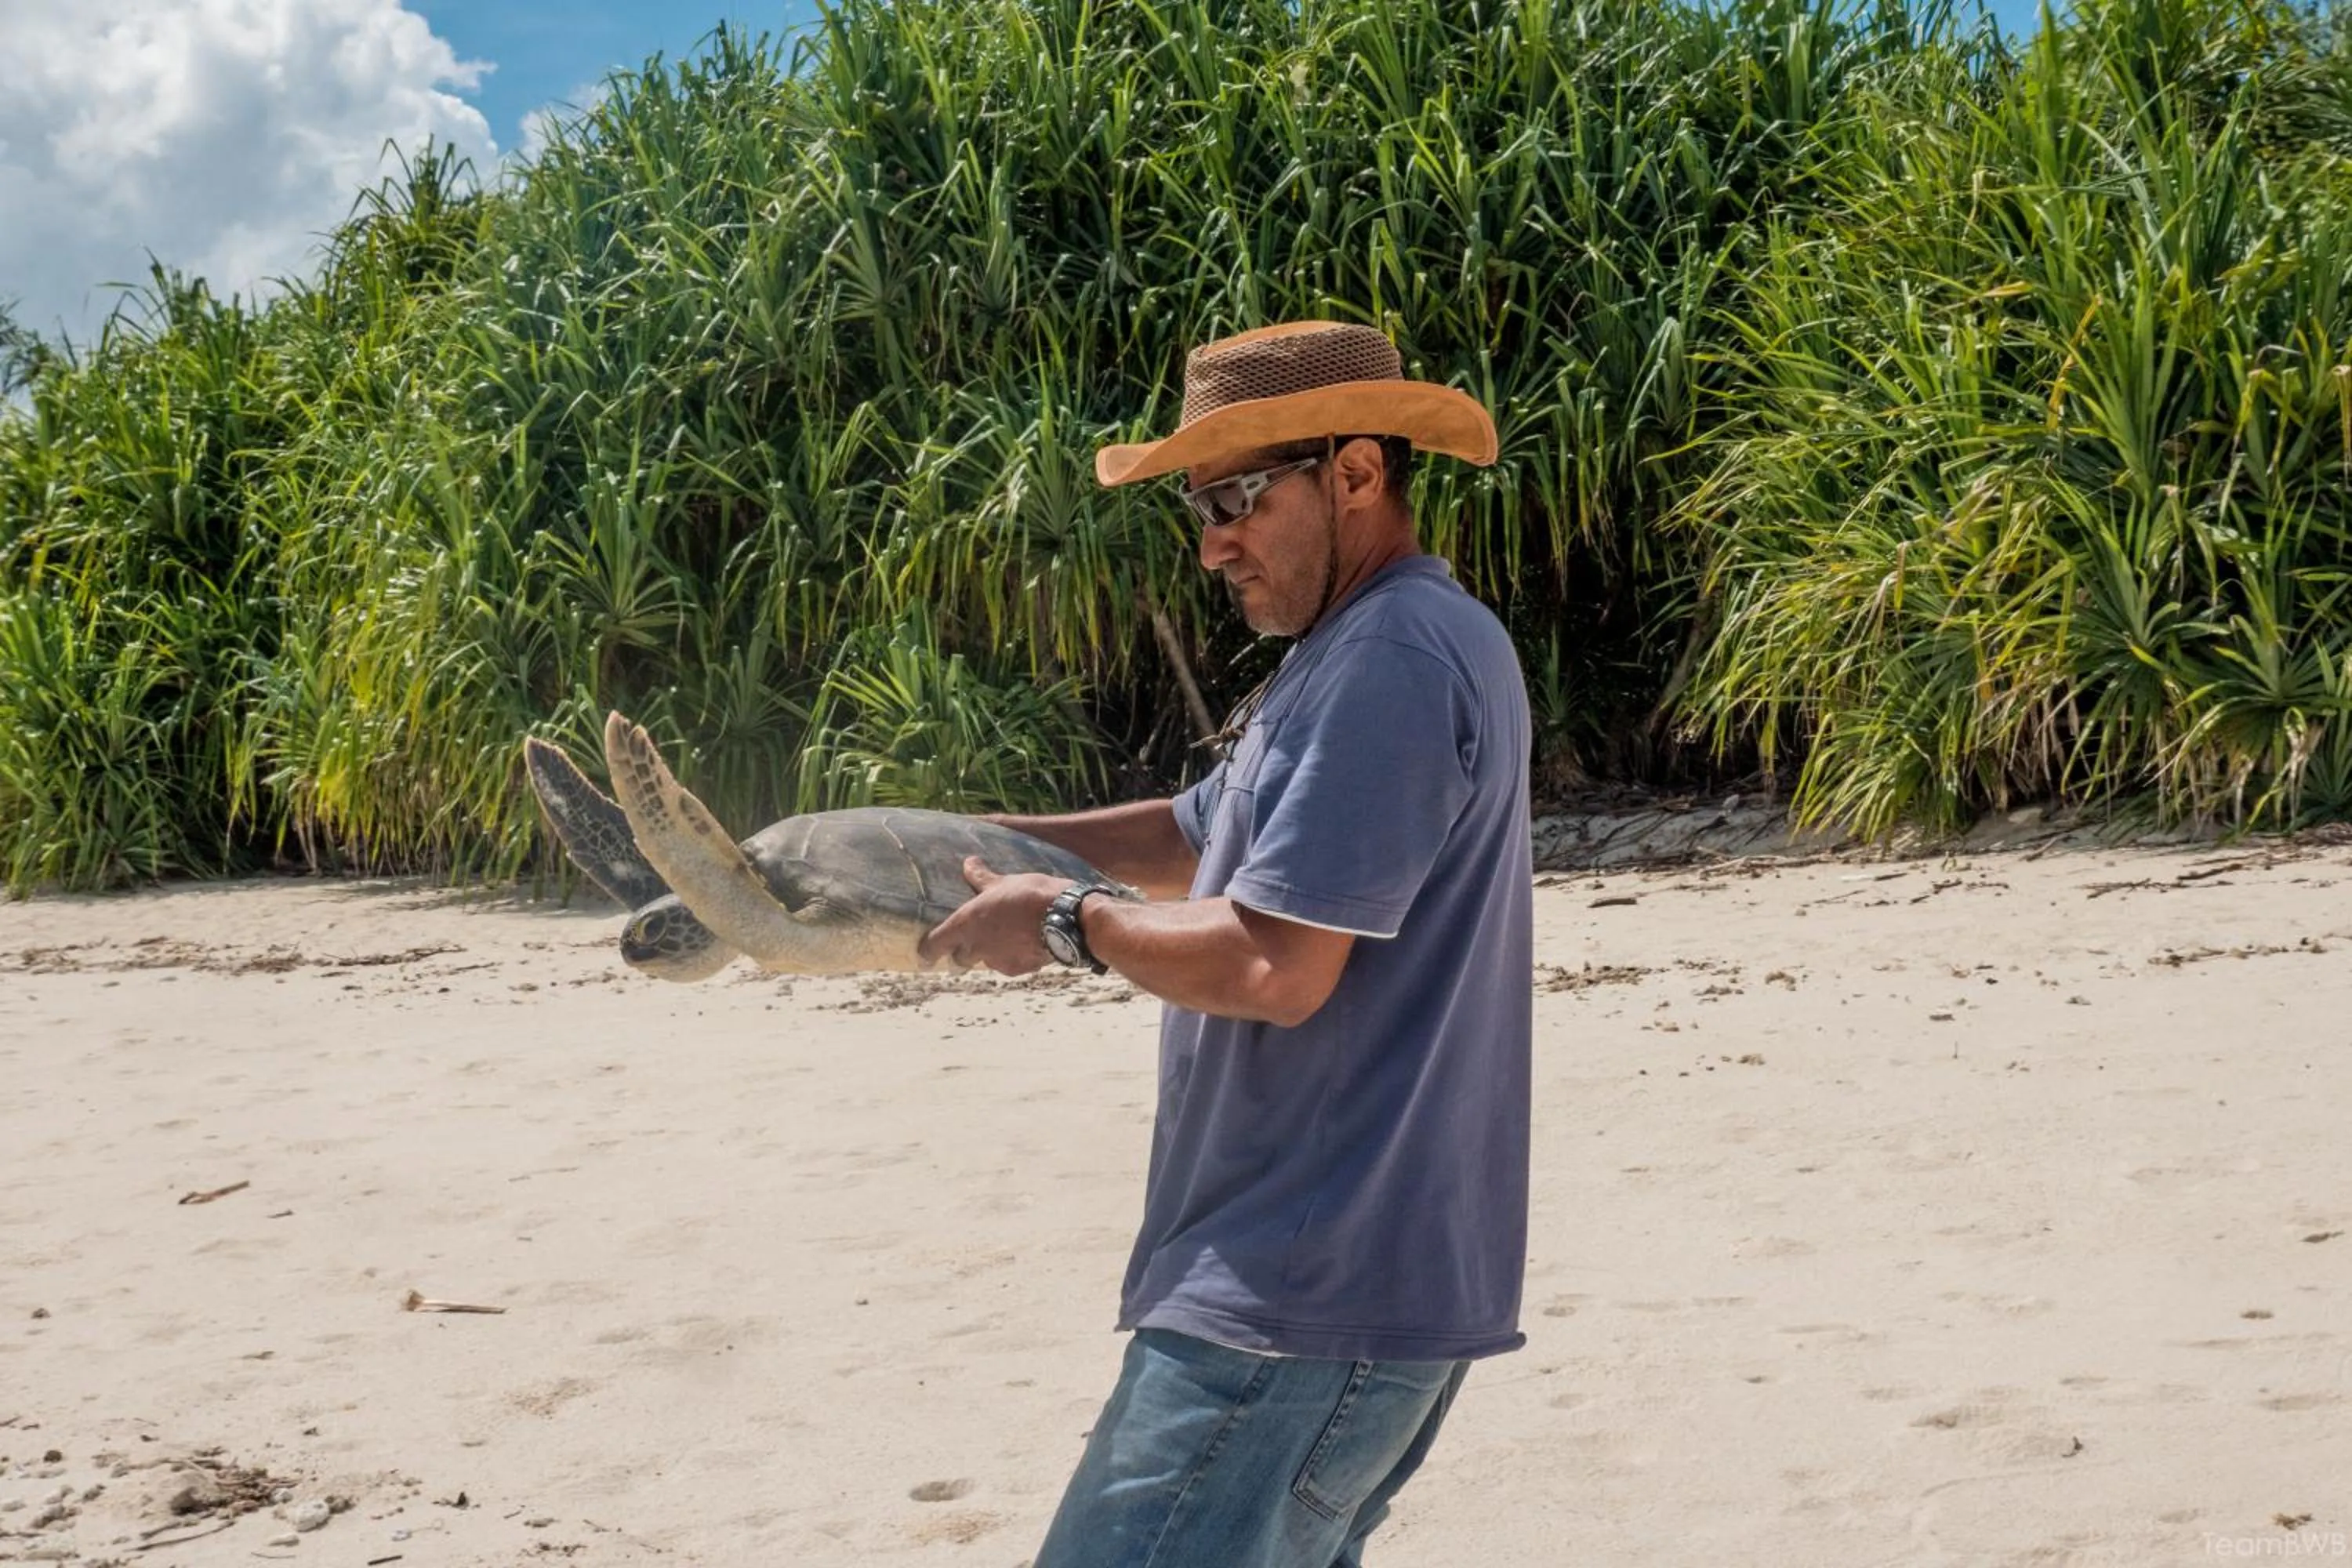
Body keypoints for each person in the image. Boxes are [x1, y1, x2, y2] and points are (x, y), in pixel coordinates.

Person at [917, 320, 1533, 1568]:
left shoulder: (1396, 659)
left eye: (1241, 498)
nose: (1213, 545)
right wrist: (950, 839)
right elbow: (1190, 833)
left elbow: (1275, 965)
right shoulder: (1350, 653)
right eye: (1200, 507)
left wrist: (1060, 923)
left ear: (1356, 474)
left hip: (1298, 1296)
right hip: (1327, 1292)